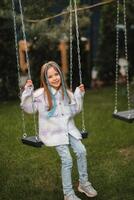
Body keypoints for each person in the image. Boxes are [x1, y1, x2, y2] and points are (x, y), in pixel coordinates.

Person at [21, 61, 97, 200]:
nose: (55, 78)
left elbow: (74, 110)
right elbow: (28, 108)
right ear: (45, 79)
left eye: (56, 74)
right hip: (53, 132)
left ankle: (84, 183)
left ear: (61, 75)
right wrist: (27, 92)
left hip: (69, 129)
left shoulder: (66, 93)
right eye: (50, 76)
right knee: (67, 159)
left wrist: (78, 95)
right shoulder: (40, 95)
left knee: (81, 151)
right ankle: (68, 193)